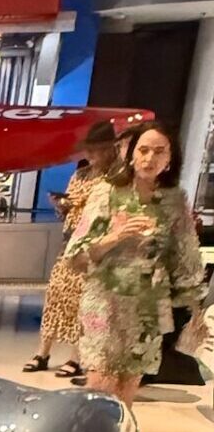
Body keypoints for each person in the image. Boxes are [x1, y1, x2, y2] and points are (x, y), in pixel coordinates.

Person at [65, 121, 203, 404]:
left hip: (147, 308)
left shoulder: (174, 201)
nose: (149, 158)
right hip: (105, 301)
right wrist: (115, 236)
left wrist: (195, 310)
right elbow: (76, 253)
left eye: (159, 152)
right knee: (100, 387)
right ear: (131, 154)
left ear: (169, 159)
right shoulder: (107, 192)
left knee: (127, 389)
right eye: (143, 150)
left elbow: (185, 258)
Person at [25, 120, 119, 379]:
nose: (91, 154)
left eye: (96, 149)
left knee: (82, 301)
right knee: (56, 295)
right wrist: (63, 205)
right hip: (70, 243)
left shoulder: (114, 179)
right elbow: (67, 210)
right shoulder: (80, 175)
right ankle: (43, 352)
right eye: (89, 149)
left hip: (94, 244)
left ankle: (75, 357)